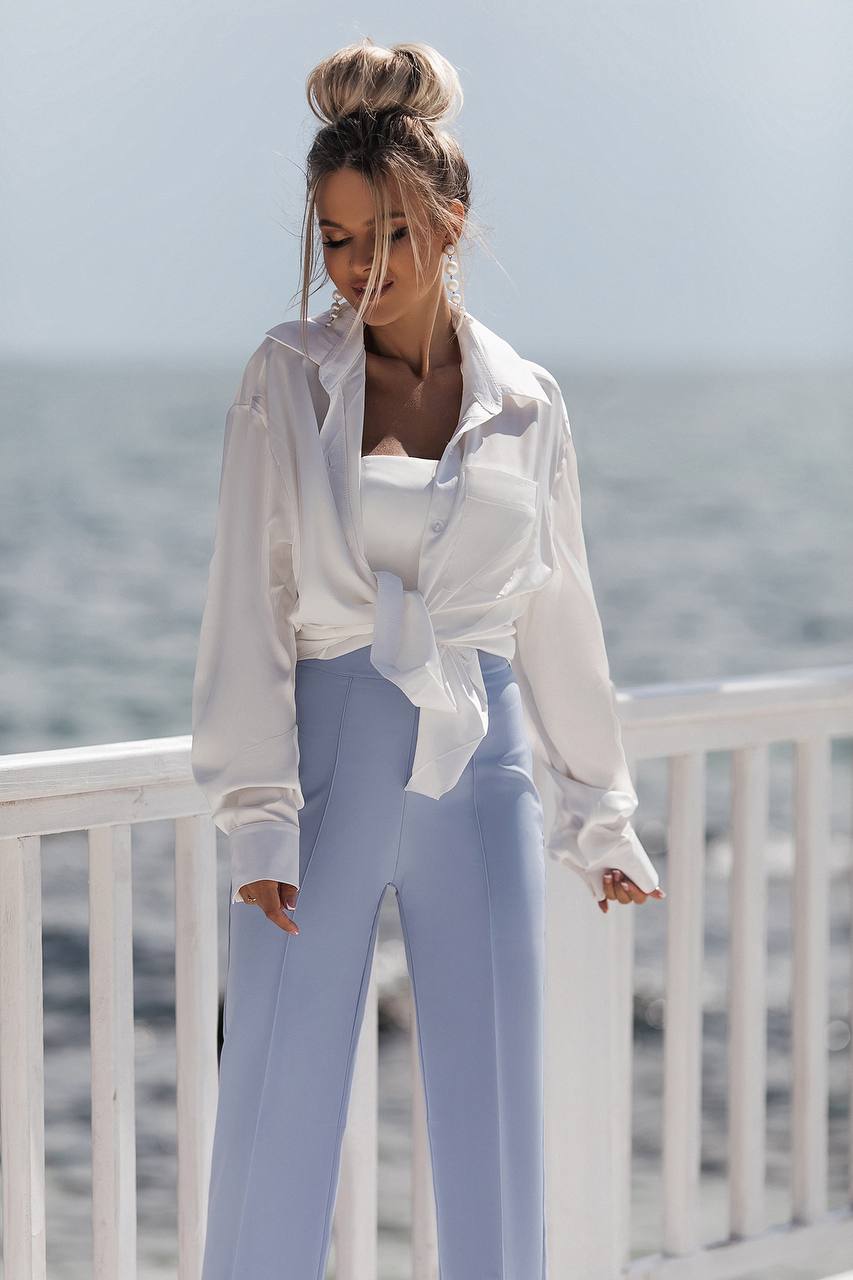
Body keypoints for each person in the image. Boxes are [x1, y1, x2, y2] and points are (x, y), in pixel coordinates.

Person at [190, 36, 666, 1280]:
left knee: (496, 1122)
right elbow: (246, 604)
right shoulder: (285, 378)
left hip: (484, 759)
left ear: (449, 223)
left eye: (389, 235)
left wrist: (600, 810)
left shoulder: (527, 399)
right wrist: (255, 817)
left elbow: (557, 608)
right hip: (329, 758)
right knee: (274, 1115)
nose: (360, 268)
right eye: (337, 239)